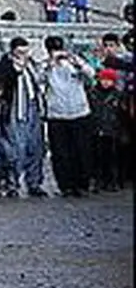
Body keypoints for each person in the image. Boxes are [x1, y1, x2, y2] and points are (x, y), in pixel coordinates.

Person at [0, 37, 49, 197]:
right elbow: (2, 81)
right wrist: (16, 68)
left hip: (33, 107)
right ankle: (13, 183)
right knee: (17, 149)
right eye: (20, 52)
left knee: (36, 147)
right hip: (16, 110)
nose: (24, 55)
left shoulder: (32, 64)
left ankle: (34, 182)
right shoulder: (4, 65)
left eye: (26, 51)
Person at [41, 36, 95, 198]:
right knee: (60, 153)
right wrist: (49, 65)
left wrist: (76, 62)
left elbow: (91, 75)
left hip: (79, 112)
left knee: (82, 150)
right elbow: (38, 80)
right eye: (53, 50)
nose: (57, 53)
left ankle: (82, 183)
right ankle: (65, 185)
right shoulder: (46, 65)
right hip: (57, 114)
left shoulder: (75, 62)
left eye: (59, 49)